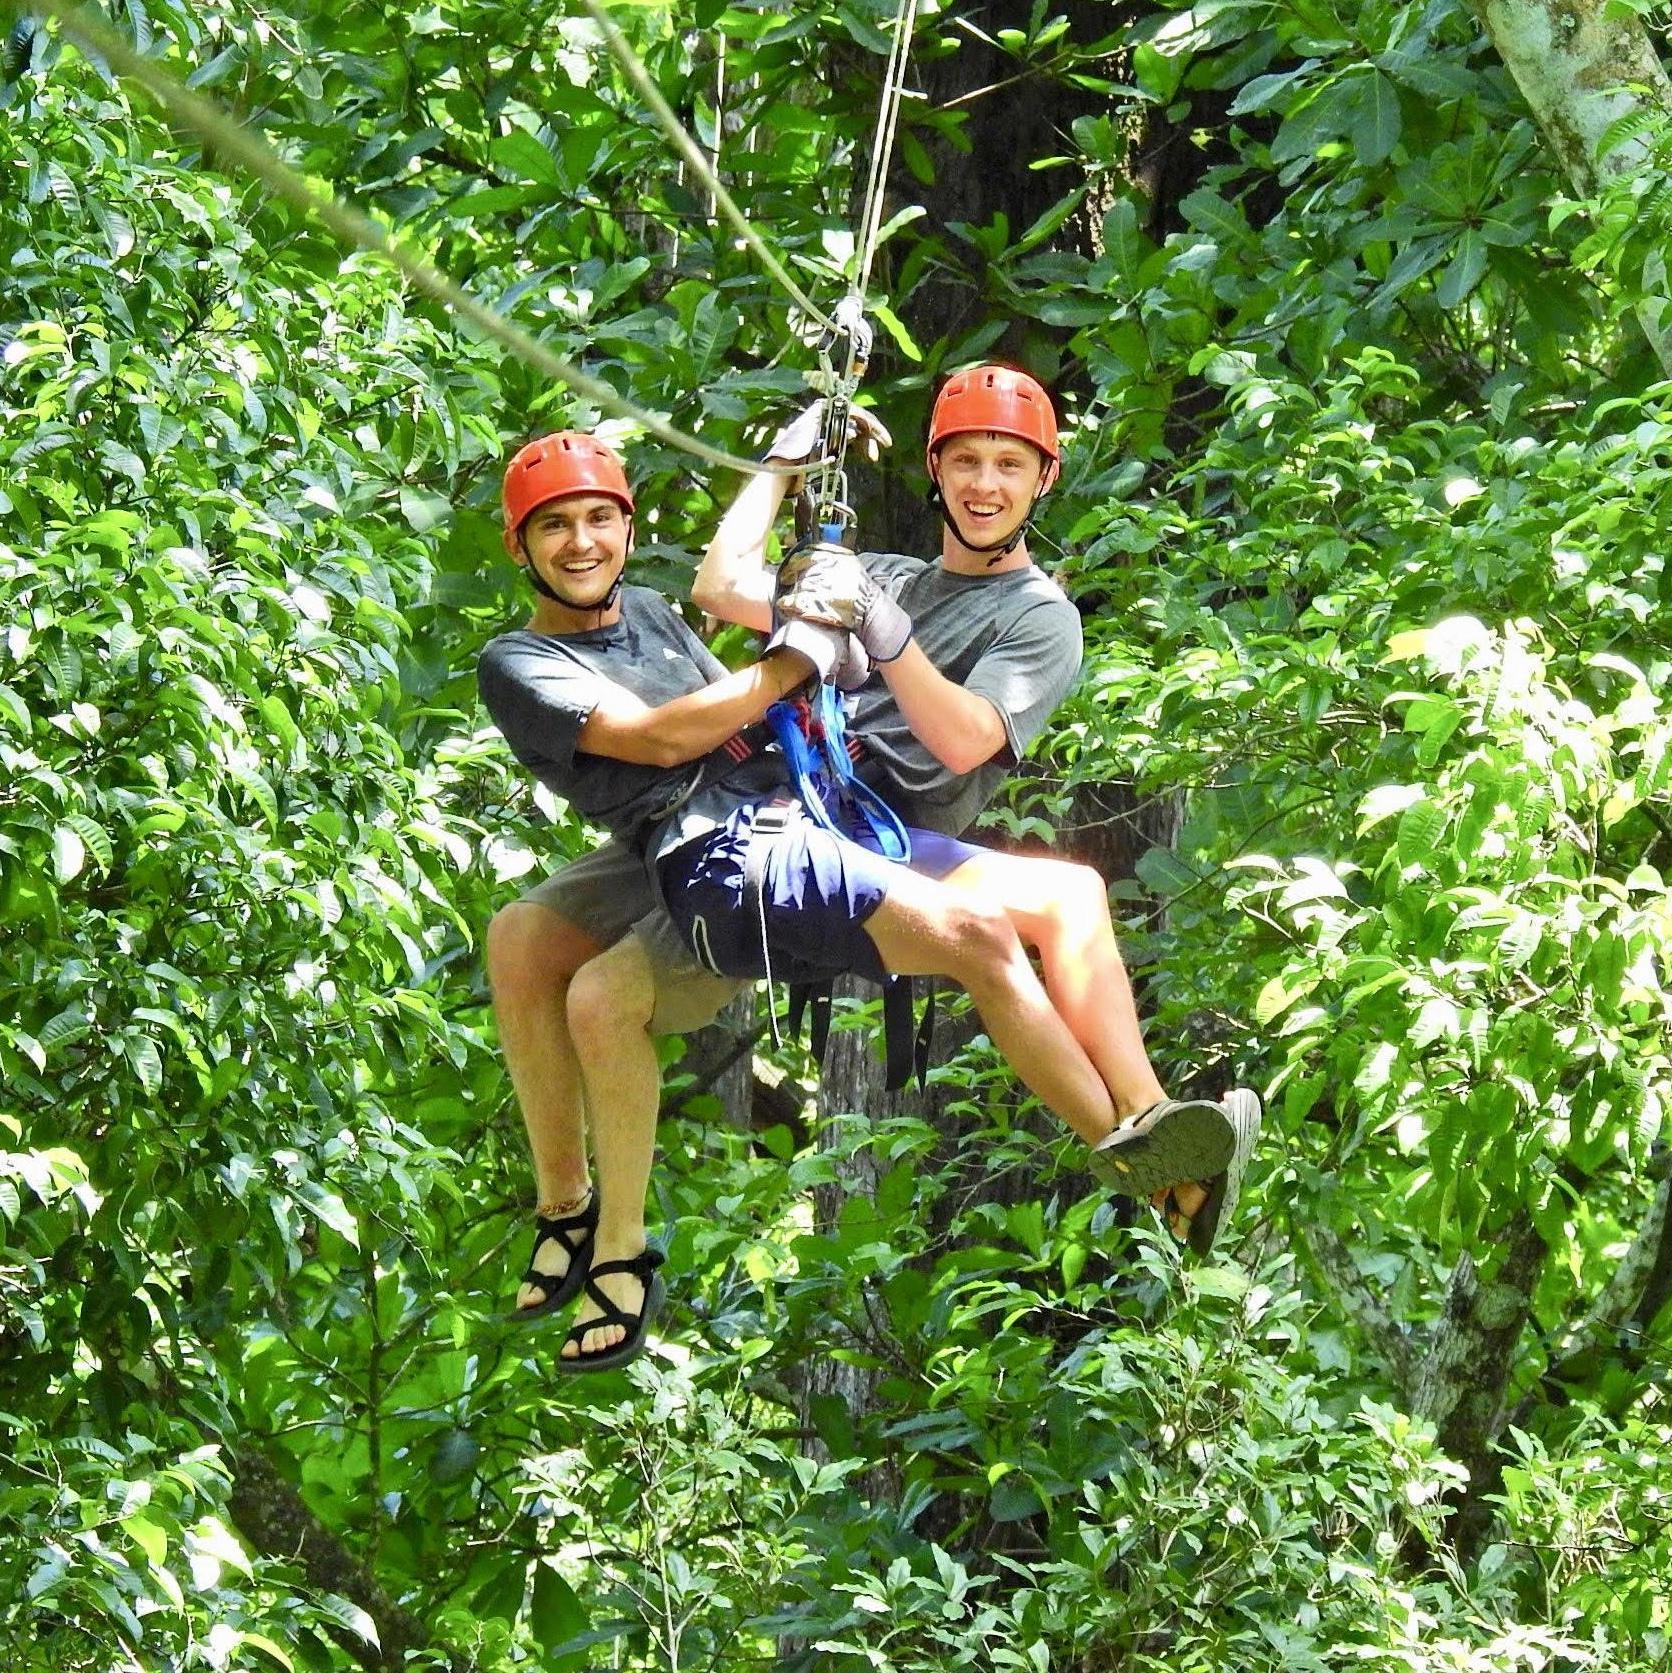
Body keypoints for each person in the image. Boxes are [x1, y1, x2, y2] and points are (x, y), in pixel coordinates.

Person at [484, 371, 1259, 1369]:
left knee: (1066, 896)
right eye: (967, 461)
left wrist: (870, 641)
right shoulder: (884, 571)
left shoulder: (1035, 617)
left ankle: (1150, 1131)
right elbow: (723, 588)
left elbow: (968, 737)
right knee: (527, 940)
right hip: (766, 801)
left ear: (1041, 481)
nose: (985, 483)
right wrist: (783, 465)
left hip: (839, 818)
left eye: (1008, 465)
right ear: (934, 471)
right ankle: (569, 1213)